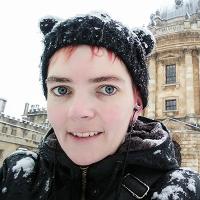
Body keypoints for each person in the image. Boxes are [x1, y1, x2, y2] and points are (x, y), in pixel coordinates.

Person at [0, 11, 200, 200]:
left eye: (107, 88)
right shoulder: (16, 176)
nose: (80, 112)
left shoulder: (182, 190)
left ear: (137, 102)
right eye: (62, 89)